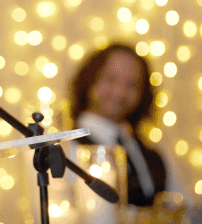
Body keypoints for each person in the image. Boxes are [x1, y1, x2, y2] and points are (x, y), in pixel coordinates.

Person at [68, 43, 168, 207]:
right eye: (110, 79)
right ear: (90, 80)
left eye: (131, 85)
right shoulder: (69, 149)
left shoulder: (151, 154)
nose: (119, 92)